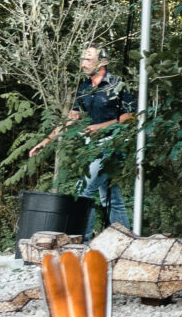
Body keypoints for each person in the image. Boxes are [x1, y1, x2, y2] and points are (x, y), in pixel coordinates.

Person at [33, 44, 136, 228]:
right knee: (110, 196)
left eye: (87, 59)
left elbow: (130, 117)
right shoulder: (84, 87)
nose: (82, 64)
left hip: (114, 143)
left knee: (84, 191)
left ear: (103, 61)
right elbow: (71, 119)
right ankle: (126, 240)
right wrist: (46, 141)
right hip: (93, 146)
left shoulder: (117, 84)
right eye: (82, 59)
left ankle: (81, 240)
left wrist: (101, 127)